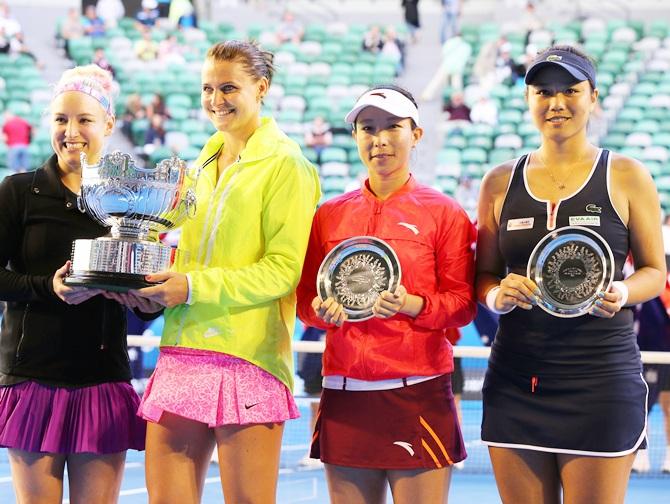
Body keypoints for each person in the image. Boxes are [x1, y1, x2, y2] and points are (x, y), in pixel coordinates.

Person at [129, 40, 320, 504]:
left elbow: (282, 271)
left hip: (248, 358)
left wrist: (192, 287)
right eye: (208, 88)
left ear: (262, 87)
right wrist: (138, 273)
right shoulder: (202, 161)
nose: (216, 100)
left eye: (229, 87)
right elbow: (167, 235)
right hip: (182, 350)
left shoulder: (287, 166)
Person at [475, 45, 666, 504]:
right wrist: (497, 295)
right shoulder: (499, 181)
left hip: (600, 378)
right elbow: (483, 275)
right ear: (527, 100)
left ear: (593, 97)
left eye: (570, 90)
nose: (556, 103)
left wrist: (622, 290)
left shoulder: (626, 175)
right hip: (516, 378)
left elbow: (655, 273)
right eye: (543, 91)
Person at [296, 84, 476, 504]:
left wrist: (414, 304)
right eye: (367, 128)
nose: (379, 139)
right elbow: (306, 301)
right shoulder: (329, 215)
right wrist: (322, 312)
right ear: (356, 137)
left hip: (418, 390)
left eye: (392, 126)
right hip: (345, 391)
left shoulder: (445, 212)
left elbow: (463, 305)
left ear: (416, 134)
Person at [0, 65, 149, 504]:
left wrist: (143, 298)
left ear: (108, 124)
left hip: (102, 379)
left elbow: (149, 296)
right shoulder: (18, 191)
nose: (71, 131)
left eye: (84, 119)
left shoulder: (132, 200)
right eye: (61, 119)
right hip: (32, 378)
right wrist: (50, 286)